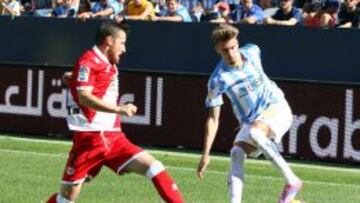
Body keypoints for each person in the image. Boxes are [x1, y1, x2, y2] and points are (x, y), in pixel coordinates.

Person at [46, 21, 184, 203]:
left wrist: (72, 77)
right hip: (91, 139)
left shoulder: (104, 63)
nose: (124, 49)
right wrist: (119, 109)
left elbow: (90, 84)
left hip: (112, 137)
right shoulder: (88, 61)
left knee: (155, 166)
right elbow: (85, 97)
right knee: (67, 197)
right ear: (109, 41)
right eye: (122, 43)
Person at [196, 24, 303, 203]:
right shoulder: (218, 80)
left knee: (255, 132)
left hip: (277, 108)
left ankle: (292, 181)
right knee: (236, 152)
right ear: (217, 50)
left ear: (238, 43)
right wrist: (206, 154)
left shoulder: (253, 51)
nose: (230, 54)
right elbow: (213, 119)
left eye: (233, 48)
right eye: (225, 51)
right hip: (252, 120)